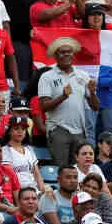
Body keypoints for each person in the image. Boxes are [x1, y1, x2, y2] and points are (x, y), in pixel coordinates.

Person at [38, 37, 98, 167]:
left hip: (79, 131)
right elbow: (43, 107)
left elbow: (95, 107)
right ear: (55, 56)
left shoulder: (82, 76)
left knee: (79, 170)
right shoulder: (47, 76)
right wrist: (63, 97)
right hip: (58, 129)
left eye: (69, 52)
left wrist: (92, 93)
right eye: (62, 52)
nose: (66, 54)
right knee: (62, 169)